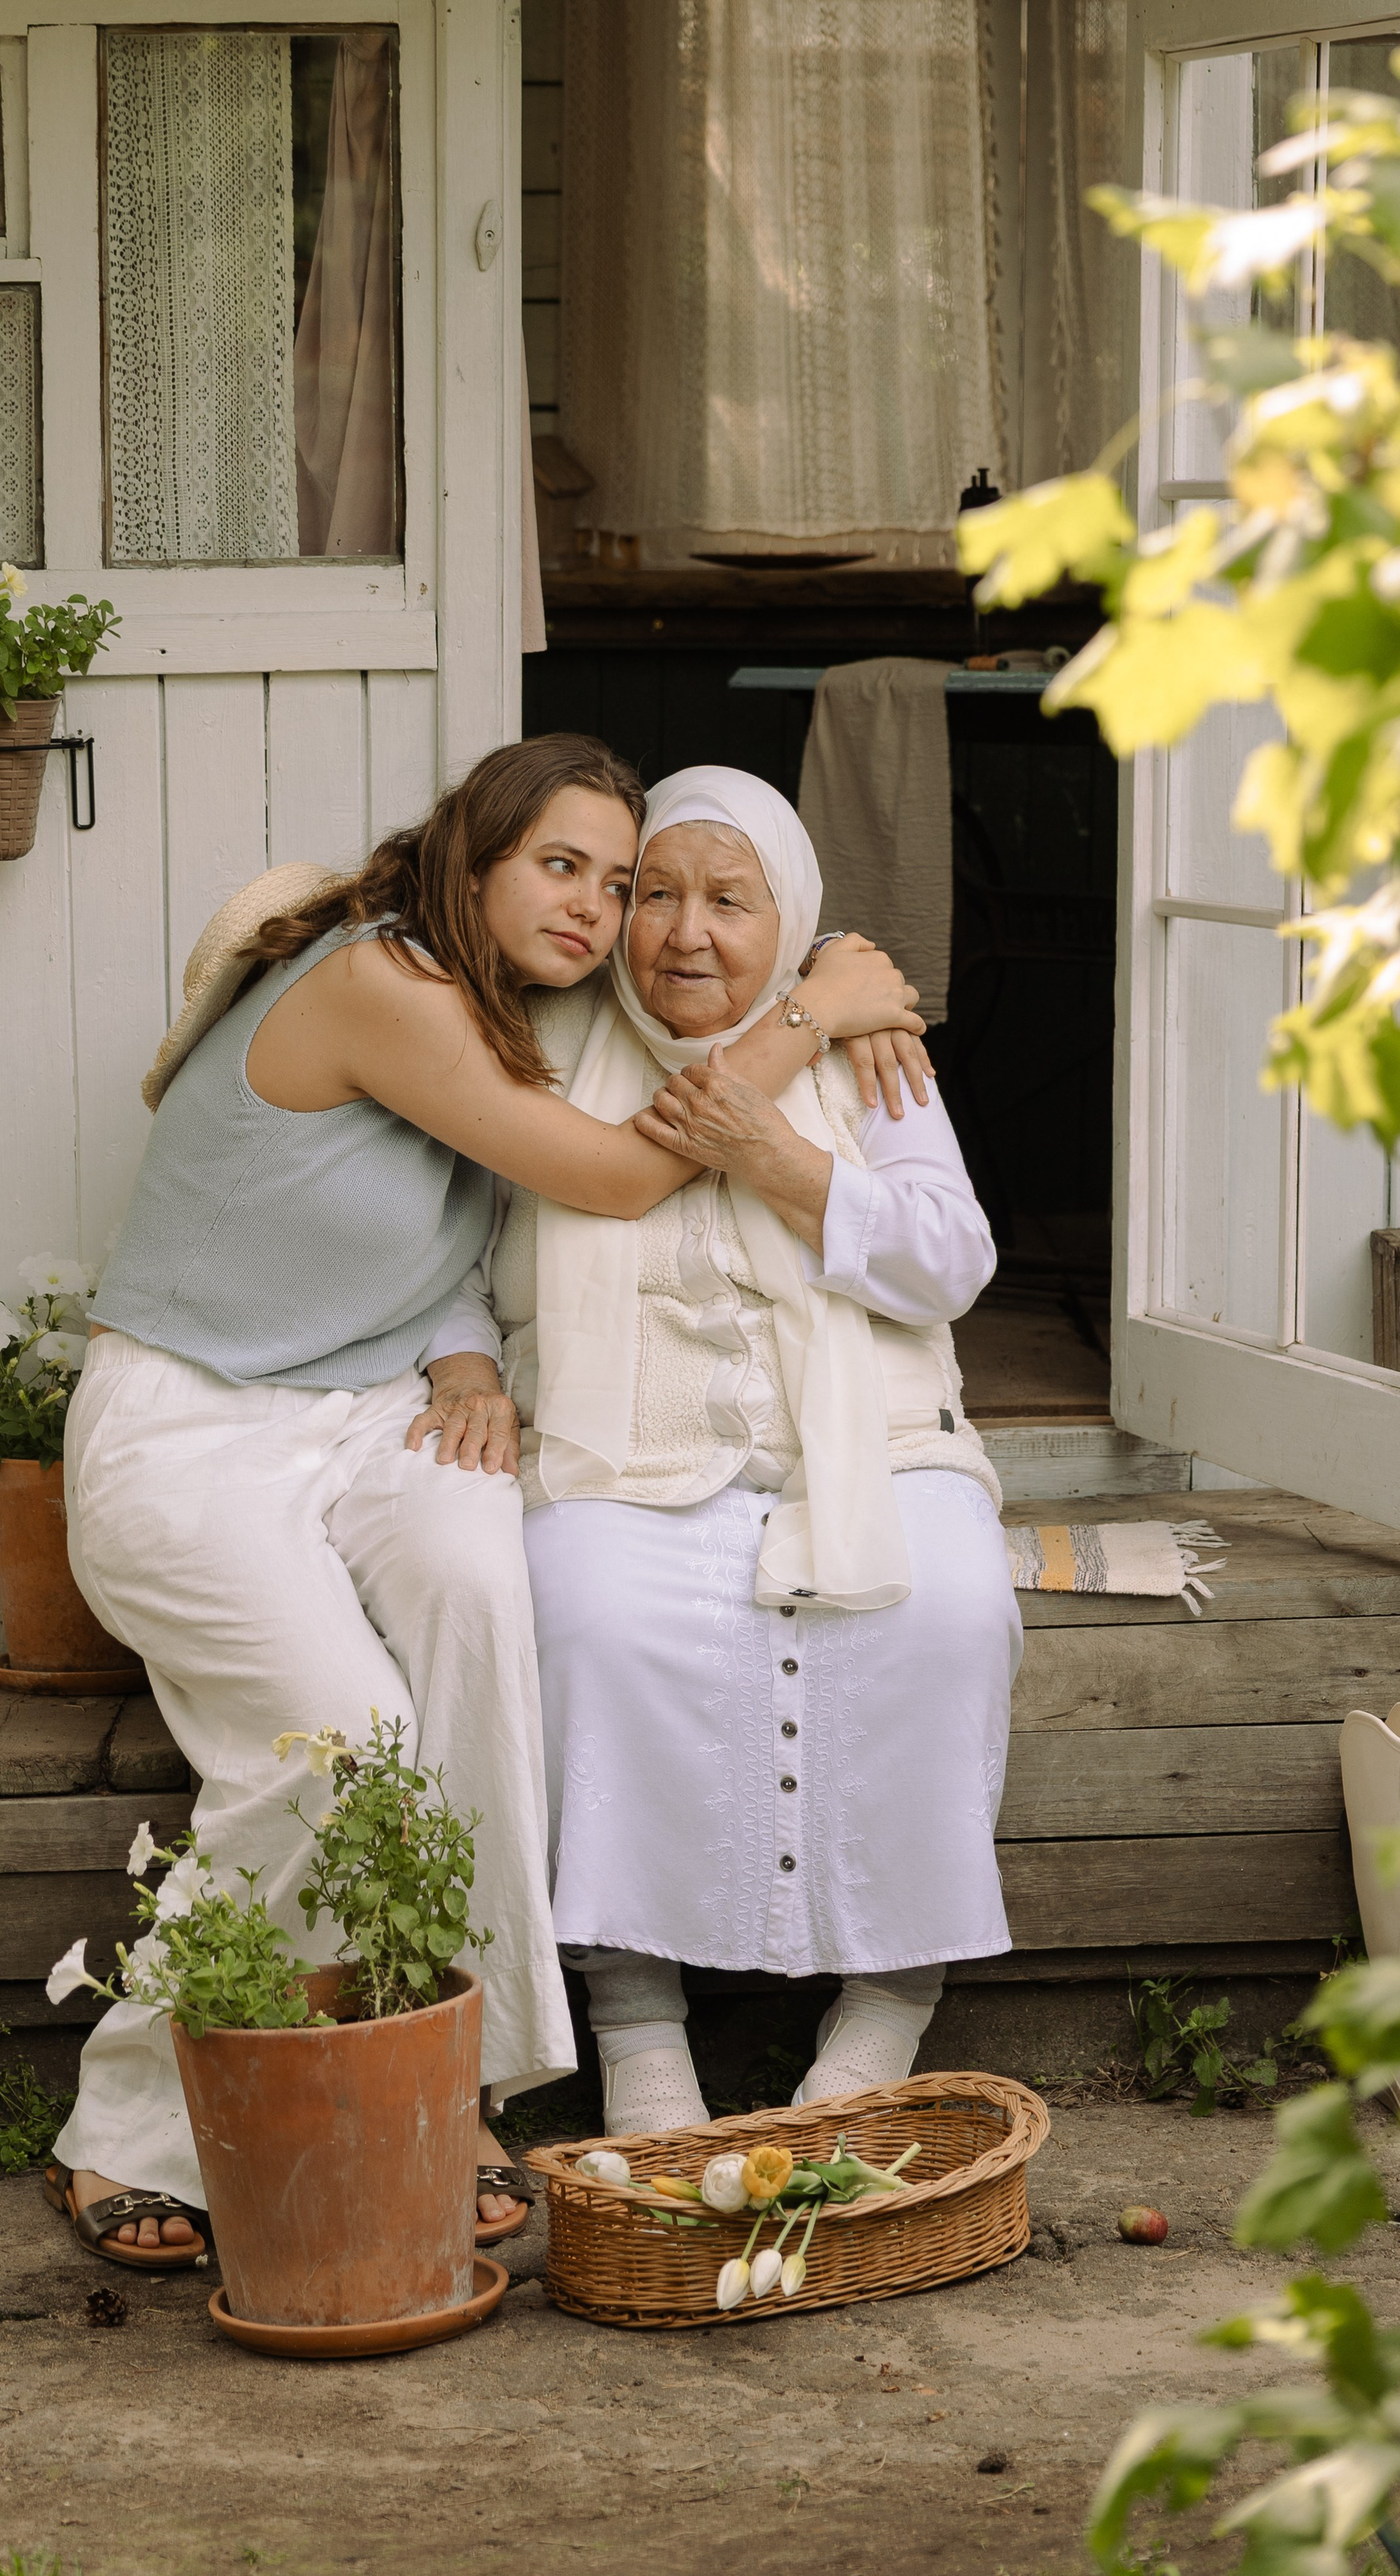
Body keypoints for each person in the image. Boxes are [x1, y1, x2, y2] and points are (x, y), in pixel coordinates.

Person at [46, 733, 929, 2270]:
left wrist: (462, 1357)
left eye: (618, 879)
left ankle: (447, 2088)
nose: (598, 911)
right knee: (340, 1746)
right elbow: (610, 1177)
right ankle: (124, 2123)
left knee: (479, 1604)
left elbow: (445, 1217)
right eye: (560, 868)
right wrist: (815, 1008)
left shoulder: (526, 994)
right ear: (469, 862)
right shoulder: (384, 978)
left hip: (373, 1408)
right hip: (189, 1423)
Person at [490, 766, 1021, 2135]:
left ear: (784, 919)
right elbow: (444, 1241)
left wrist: (779, 1162)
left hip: (871, 1433)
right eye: (653, 894)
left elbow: (950, 1261)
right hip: (621, 1442)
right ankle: (634, 2019)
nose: (684, 933)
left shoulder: (867, 1050)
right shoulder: (542, 1045)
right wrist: (455, 1357)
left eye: (729, 901)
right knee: (589, 1615)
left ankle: (888, 2006)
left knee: (950, 1608)